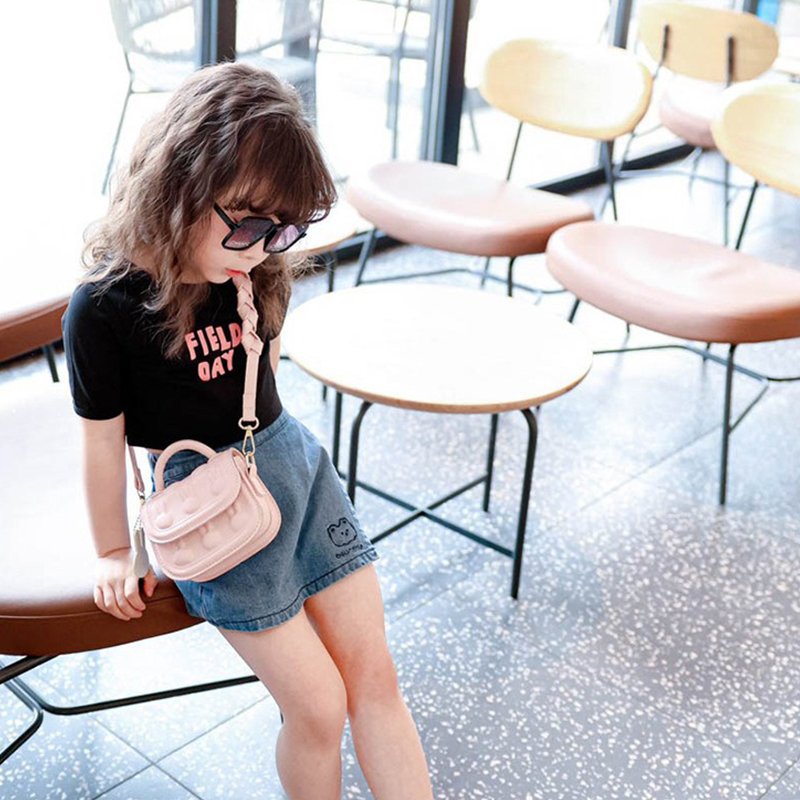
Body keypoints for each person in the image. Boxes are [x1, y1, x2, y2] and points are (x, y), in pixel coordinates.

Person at [61, 61, 434, 800]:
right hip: (208, 504)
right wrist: (112, 551)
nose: (268, 245)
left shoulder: (254, 270)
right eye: (254, 225)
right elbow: (101, 440)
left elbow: (262, 376)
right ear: (180, 185)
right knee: (319, 708)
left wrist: (258, 243)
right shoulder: (103, 307)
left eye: (286, 228)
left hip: (290, 465)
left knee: (375, 676)